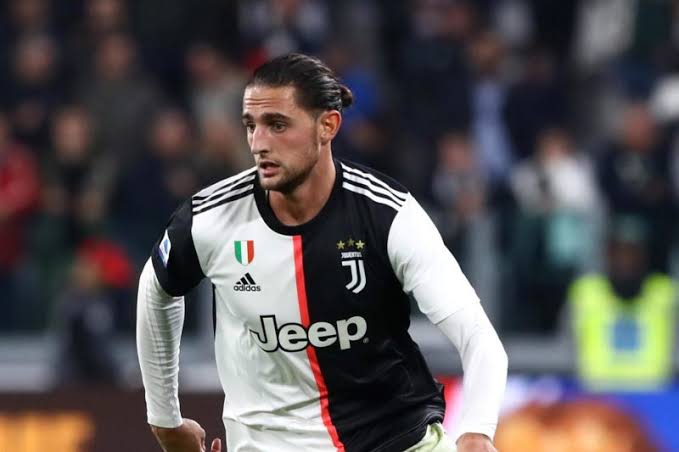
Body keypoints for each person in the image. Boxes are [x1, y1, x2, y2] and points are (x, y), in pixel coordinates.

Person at [137, 53, 507, 452]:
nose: (259, 143)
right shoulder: (210, 219)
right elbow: (156, 289)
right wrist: (164, 419)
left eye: (277, 125)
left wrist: (476, 430)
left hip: (396, 440)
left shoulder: (387, 214)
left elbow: (478, 337)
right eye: (251, 126)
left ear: (327, 125)